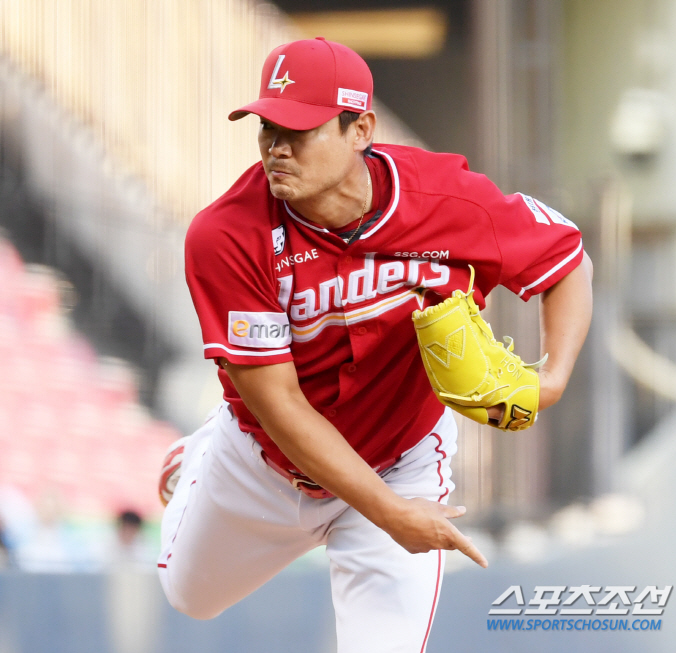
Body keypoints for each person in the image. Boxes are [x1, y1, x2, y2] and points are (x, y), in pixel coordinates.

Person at [157, 37, 593, 651]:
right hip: (265, 459)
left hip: (403, 455)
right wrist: (391, 514)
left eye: (300, 129)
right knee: (190, 597)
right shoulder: (227, 234)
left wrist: (553, 378)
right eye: (267, 127)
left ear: (361, 127)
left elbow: (567, 259)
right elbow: (279, 403)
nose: (277, 147)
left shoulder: (448, 199)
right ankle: (201, 451)